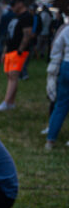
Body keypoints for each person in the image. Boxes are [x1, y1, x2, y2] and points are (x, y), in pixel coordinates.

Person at [0, 0, 34, 112]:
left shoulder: (27, 16)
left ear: (20, 4)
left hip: (18, 51)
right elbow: (9, 35)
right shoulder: (16, 16)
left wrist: (20, 50)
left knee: (13, 75)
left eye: (13, 5)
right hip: (10, 50)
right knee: (10, 76)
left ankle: (6, 102)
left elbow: (27, 35)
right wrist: (4, 51)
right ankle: (11, 102)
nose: (12, 8)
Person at [45, 20, 69, 150]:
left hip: (66, 65)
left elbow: (56, 48)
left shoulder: (66, 30)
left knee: (60, 105)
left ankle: (50, 139)